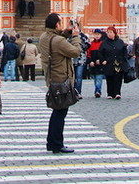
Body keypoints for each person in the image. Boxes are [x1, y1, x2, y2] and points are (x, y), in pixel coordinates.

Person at [39, 12, 81, 154]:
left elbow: (56, 41)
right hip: (61, 78)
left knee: (56, 112)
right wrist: (75, 37)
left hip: (51, 78)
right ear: (56, 25)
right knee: (60, 113)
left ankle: (51, 142)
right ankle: (57, 143)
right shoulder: (57, 41)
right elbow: (75, 52)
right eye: (60, 23)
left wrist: (66, 33)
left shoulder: (45, 37)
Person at [99, 25, 127, 100]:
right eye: (108, 32)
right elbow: (100, 53)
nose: (109, 34)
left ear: (114, 33)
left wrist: (123, 59)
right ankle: (110, 93)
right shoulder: (104, 43)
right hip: (108, 63)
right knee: (110, 78)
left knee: (118, 78)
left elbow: (124, 51)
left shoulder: (120, 42)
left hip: (118, 63)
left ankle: (117, 93)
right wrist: (103, 60)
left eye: (110, 32)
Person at [87, 28, 106, 97]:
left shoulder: (103, 44)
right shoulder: (91, 44)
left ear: (101, 35)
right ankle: (97, 90)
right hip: (93, 64)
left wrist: (100, 60)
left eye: (98, 34)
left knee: (98, 78)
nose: (97, 36)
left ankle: (98, 91)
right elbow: (88, 54)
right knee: (95, 78)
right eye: (96, 34)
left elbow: (104, 54)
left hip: (100, 64)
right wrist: (90, 61)